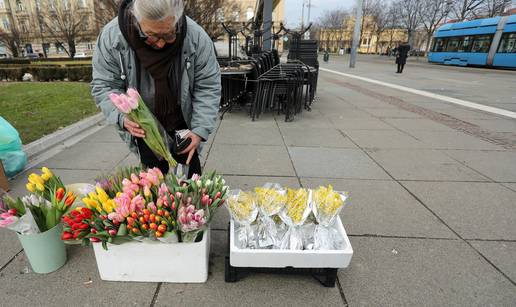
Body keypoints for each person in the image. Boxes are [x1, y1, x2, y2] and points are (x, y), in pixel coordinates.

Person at [91, 0, 221, 178]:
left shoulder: (196, 37)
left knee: (191, 187)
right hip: (144, 128)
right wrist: (121, 117)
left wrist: (200, 129)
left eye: (168, 35)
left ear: (177, 19)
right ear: (136, 19)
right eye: (151, 35)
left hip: (183, 125)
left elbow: (208, 86)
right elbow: (104, 85)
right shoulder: (112, 38)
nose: (161, 44)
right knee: (153, 192)